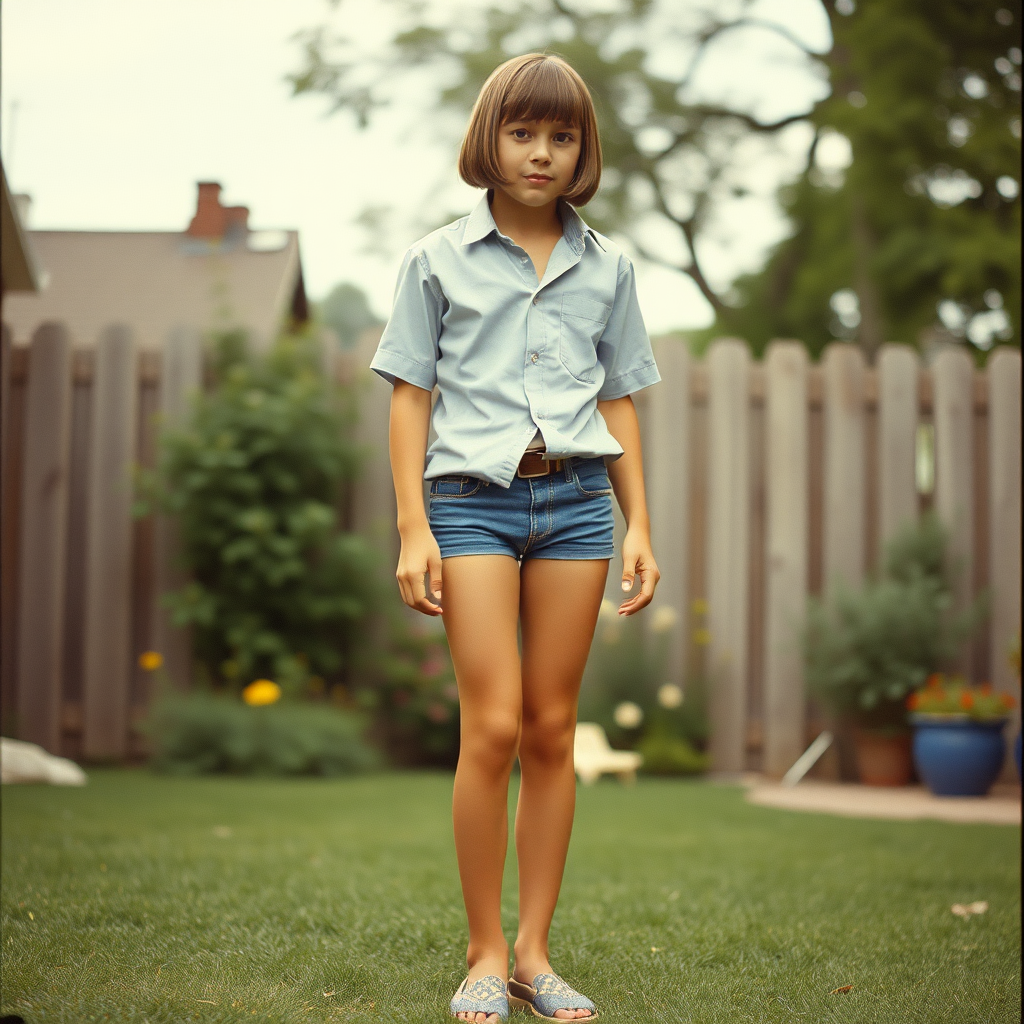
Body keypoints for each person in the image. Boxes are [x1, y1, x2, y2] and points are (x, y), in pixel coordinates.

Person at [370, 52, 661, 1023]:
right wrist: (412, 527)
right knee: (489, 725)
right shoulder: (434, 259)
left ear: (583, 149)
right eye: (523, 132)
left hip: (577, 506)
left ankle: (534, 954)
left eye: (562, 135)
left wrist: (639, 525)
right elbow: (411, 397)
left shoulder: (608, 266)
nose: (542, 152)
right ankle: (482, 953)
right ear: (489, 140)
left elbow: (616, 398)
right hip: (469, 505)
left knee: (548, 731)